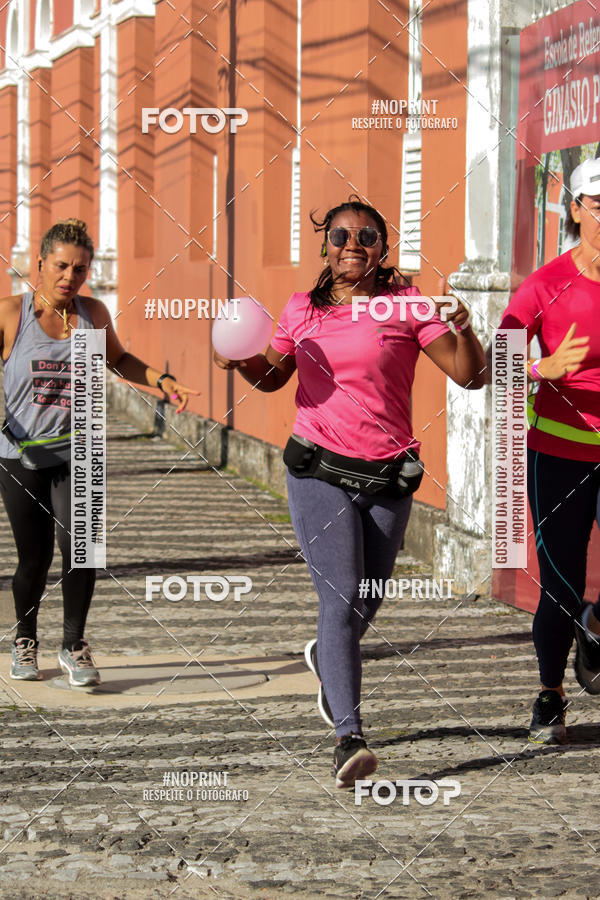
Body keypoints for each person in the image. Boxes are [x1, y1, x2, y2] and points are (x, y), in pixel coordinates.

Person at [215, 198, 486, 787]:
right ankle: (349, 738)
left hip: (388, 476)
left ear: (382, 248)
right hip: (318, 470)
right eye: (340, 235)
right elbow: (272, 376)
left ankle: (327, 657)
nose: (352, 244)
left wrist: (465, 327)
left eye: (367, 235)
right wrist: (239, 362)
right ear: (325, 246)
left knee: (366, 599)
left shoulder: (410, 305)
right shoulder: (301, 311)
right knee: (339, 601)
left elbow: (471, 374)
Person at [1, 218, 197, 686]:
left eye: (81, 269)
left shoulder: (92, 314)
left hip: (79, 451)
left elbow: (117, 359)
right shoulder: (12, 314)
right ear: (41, 264)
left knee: (83, 550)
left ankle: (74, 646)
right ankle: (25, 638)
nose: (70, 276)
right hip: (18, 453)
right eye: (62, 266)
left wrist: (161, 381)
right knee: (34, 557)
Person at [498, 157, 600, 744]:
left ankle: (598, 626)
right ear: (575, 209)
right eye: (597, 204)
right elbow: (500, 361)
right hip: (558, 452)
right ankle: (551, 695)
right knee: (559, 583)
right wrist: (542, 367)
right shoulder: (545, 284)